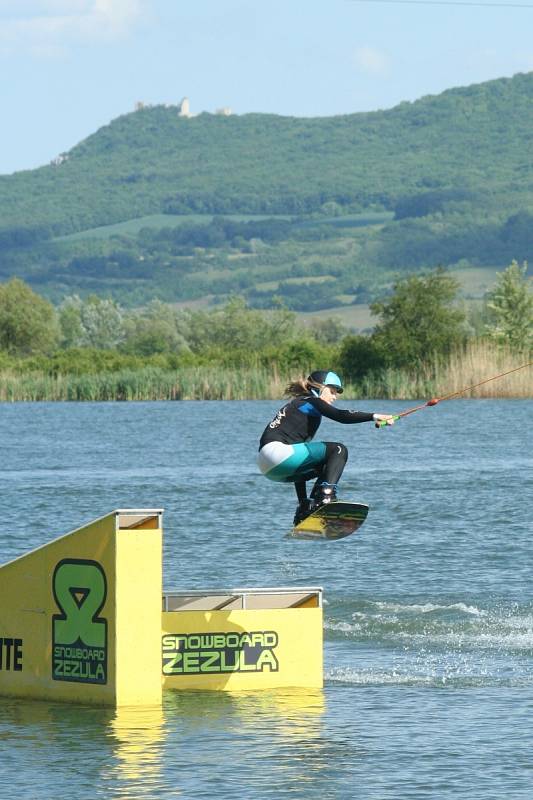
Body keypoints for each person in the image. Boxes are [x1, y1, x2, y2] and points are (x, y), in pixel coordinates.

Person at [258, 370, 394, 525]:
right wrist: (373, 416)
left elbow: (301, 471)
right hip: (277, 453)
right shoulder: (310, 401)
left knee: (325, 466)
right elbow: (341, 415)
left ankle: (305, 509)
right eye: (332, 391)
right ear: (319, 388)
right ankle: (326, 496)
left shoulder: (299, 405)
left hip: (268, 465)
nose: (335, 397)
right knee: (338, 450)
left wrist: (302, 501)